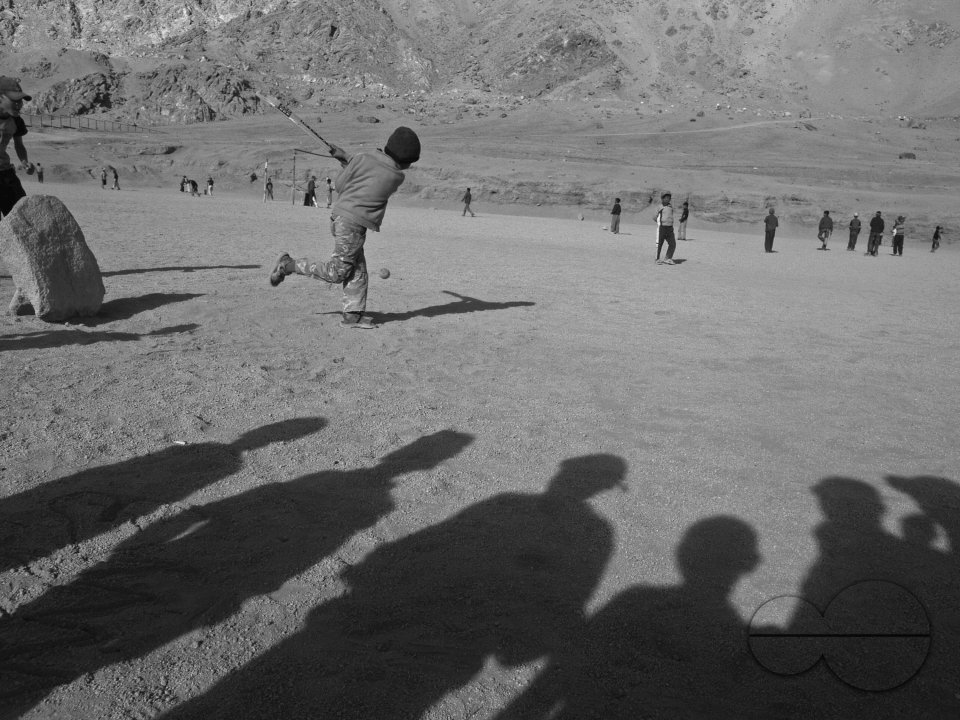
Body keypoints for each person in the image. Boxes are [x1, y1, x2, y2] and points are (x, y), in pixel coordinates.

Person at [269, 126, 421, 329]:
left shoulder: (363, 158)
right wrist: (348, 160)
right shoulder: (396, 176)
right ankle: (288, 265)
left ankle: (353, 315)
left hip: (342, 218)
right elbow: (374, 172)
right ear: (405, 162)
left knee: (357, 269)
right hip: (353, 224)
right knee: (337, 272)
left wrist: (350, 161)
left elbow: (342, 184)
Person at [0, 77, 32, 218]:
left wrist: (24, 161)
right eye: (15, 100)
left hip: (6, 174)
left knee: (22, 215)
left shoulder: (17, 121)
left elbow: (19, 145)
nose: (19, 104)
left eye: (21, 101)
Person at [655, 192, 676, 265]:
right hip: (662, 228)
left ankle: (668, 258)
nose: (668, 199)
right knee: (660, 244)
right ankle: (657, 259)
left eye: (669, 198)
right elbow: (655, 217)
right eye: (666, 198)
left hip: (670, 228)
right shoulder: (660, 207)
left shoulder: (670, 207)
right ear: (662, 198)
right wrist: (660, 223)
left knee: (672, 244)